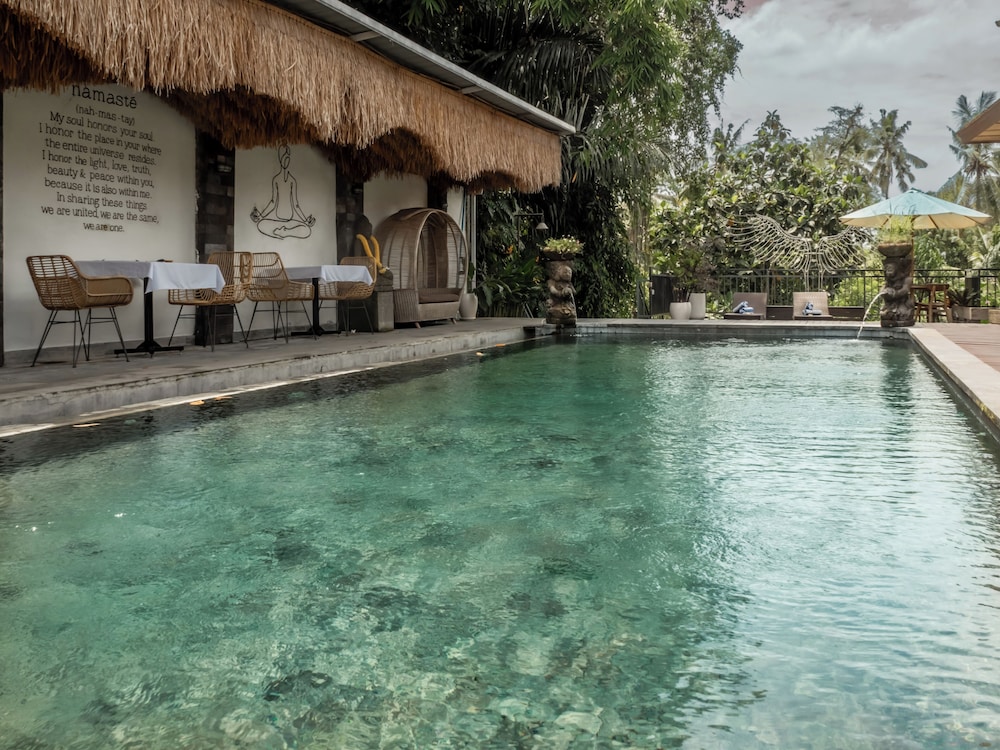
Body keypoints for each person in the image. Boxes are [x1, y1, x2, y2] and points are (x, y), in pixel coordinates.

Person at [250, 145, 315, 239]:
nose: (286, 160)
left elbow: (296, 205)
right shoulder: (276, 179)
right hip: (277, 220)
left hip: (290, 221)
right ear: (280, 159)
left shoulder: (292, 181)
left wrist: (305, 220)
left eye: (287, 157)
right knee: (261, 224)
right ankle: (283, 231)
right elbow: (273, 202)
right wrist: (261, 216)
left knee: (307, 230)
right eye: (284, 157)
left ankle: (285, 231)